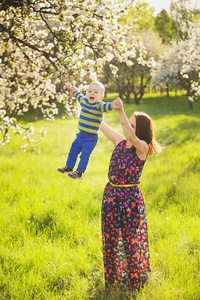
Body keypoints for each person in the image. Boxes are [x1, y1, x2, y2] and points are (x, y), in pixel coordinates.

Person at [100, 98, 162, 294]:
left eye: (133, 125)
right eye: (129, 124)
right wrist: (86, 104)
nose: (129, 128)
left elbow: (132, 137)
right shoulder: (119, 141)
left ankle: (134, 282)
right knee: (110, 238)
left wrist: (121, 112)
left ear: (140, 129)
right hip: (111, 195)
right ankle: (114, 280)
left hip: (130, 200)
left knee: (131, 240)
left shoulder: (141, 147)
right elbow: (100, 124)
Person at [58, 81, 119, 179]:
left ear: (101, 97)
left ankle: (79, 172)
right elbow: (78, 95)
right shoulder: (84, 101)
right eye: (90, 91)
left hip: (91, 138)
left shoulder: (99, 106)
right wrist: (73, 90)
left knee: (84, 155)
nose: (91, 93)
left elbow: (106, 106)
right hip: (80, 135)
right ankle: (69, 167)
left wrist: (113, 105)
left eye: (96, 92)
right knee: (73, 151)